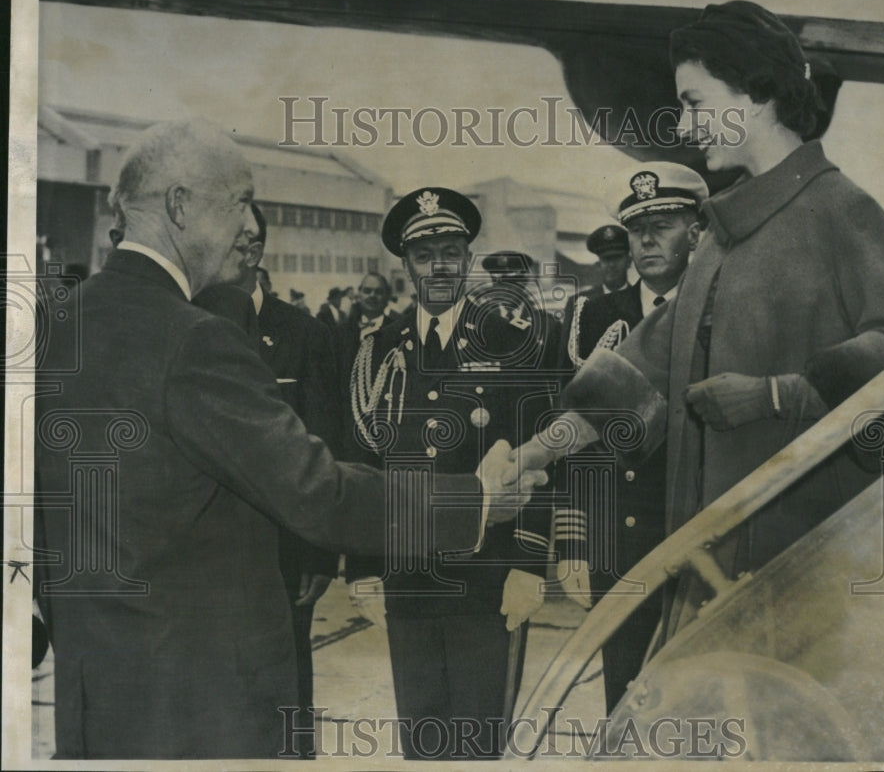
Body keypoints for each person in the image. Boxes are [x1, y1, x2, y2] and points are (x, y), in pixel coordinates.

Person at [33, 119, 542, 760]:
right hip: (201, 703)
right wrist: (477, 500)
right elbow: (319, 492)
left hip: (98, 694)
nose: (250, 226)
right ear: (180, 205)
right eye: (240, 201)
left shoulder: (59, 322)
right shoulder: (194, 337)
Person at [513, 0, 884, 643]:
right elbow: (649, 360)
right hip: (710, 568)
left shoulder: (845, 212)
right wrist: (541, 448)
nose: (683, 123)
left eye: (696, 102)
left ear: (758, 94)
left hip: (805, 581)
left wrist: (774, 395)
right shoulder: (722, 235)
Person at [345, 188, 555, 760]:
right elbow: (363, 462)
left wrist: (528, 563)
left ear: (466, 258)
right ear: (406, 266)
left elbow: (539, 456)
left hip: (489, 579)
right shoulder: (379, 348)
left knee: (479, 742)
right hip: (408, 576)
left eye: (450, 250)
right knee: (423, 740)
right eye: (424, 254)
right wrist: (362, 567)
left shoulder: (513, 344)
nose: (438, 265)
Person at [556, 162, 708, 713]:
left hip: (700, 534)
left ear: (697, 231)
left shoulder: (719, 311)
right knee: (623, 694)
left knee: (698, 700)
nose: (645, 240)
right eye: (636, 228)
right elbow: (571, 438)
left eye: (663, 224)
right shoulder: (592, 318)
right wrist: (574, 541)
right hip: (617, 539)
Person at [196, 204, 345, 749]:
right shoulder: (188, 322)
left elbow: (328, 447)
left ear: (256, 250)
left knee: (283, 692)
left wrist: (320, 553)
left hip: (283, 552)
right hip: (203, 551)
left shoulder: (304, 334)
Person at [559, 224, 631, 373]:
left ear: (629, 261)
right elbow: (565, 361)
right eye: (606, 259)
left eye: (617, 258)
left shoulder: (643, 298)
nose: (611, 265)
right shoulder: (579, 303)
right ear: (598, 264)